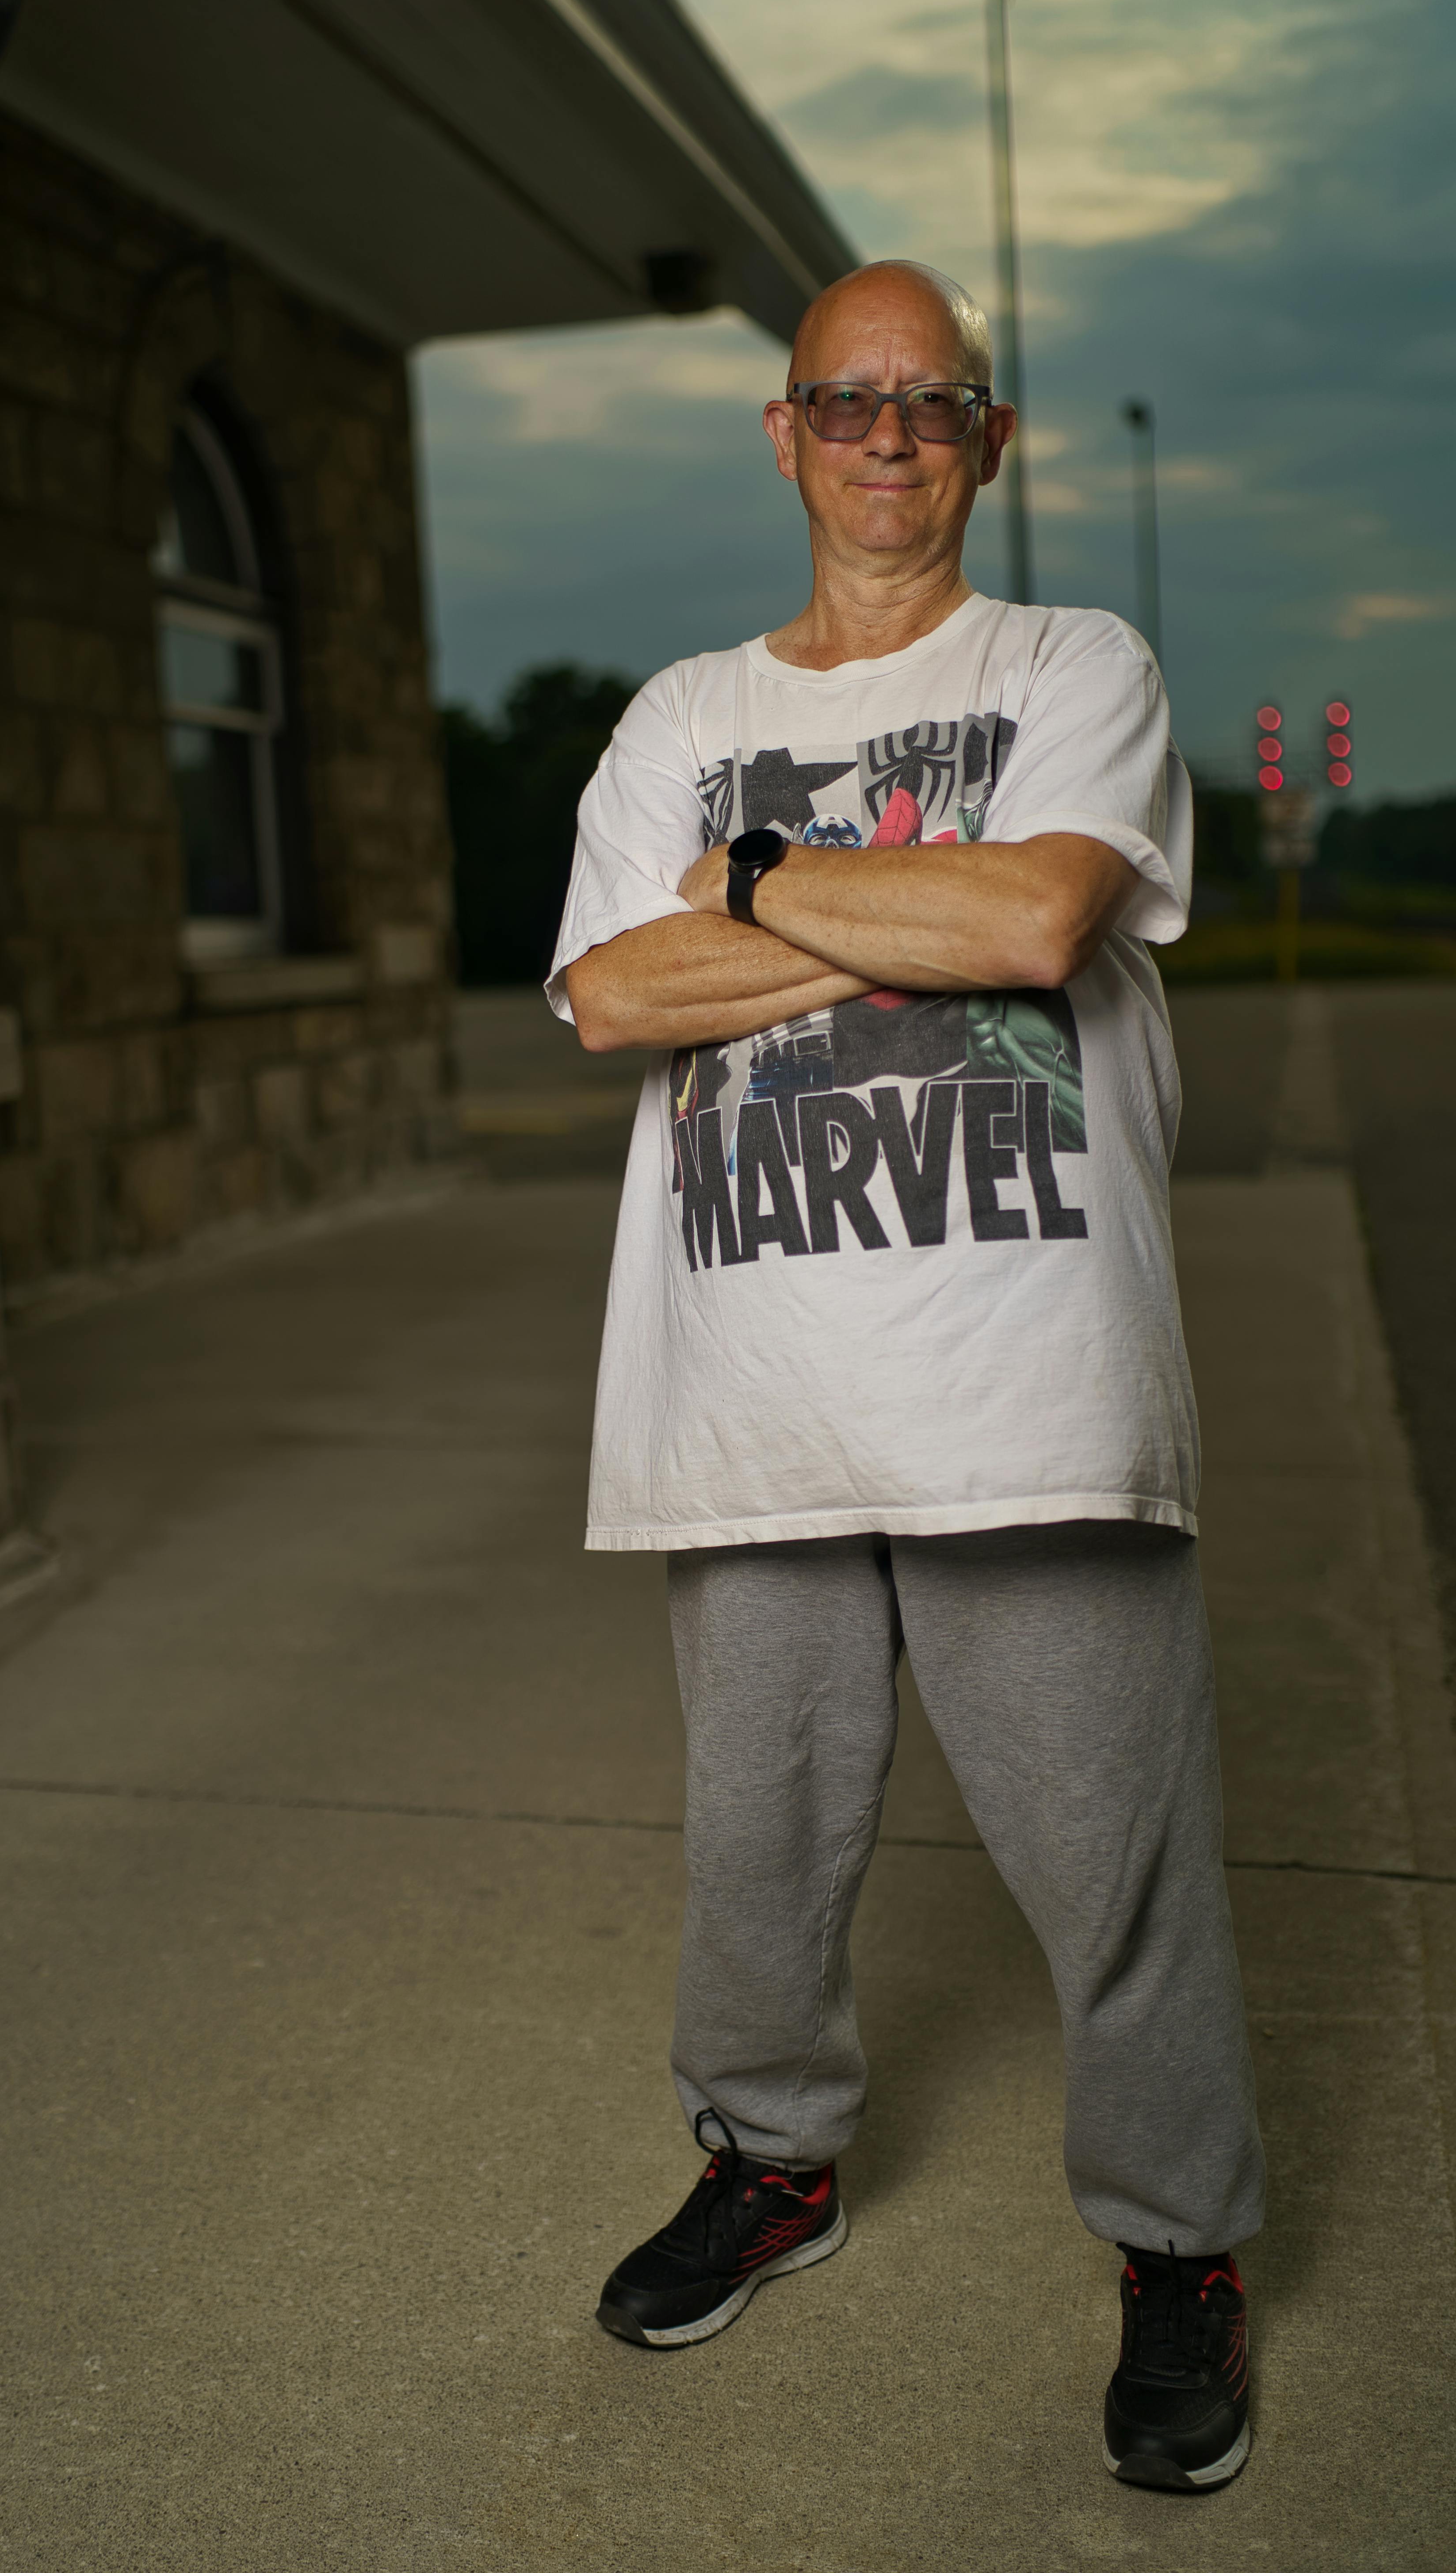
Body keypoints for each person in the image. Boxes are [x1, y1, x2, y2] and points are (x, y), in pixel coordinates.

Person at [548, 260, 1263, 2496]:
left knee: (1112, 1858)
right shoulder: (675, 703)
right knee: (756, 1854)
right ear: (782, 436)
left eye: (927, 404)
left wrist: (752, 880)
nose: (883, 436)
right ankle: (773, 2159)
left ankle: (1180, 2250)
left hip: (1022, 1390)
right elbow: (600, 1000)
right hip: (744, 1398)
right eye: (841, 402)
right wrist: (892, 899)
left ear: (987, 440)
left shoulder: (1075, 665)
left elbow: (1036, 927)